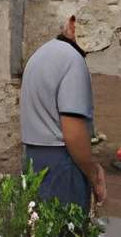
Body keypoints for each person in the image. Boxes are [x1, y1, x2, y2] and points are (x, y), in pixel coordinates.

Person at [19, 11, 106, 211]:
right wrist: (94, 174)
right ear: (72, 25)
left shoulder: (40, 55)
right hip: (62, 164)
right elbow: (73, 130)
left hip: (34, 157)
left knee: (40, 234)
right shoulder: (73, 61)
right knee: (67, 236)